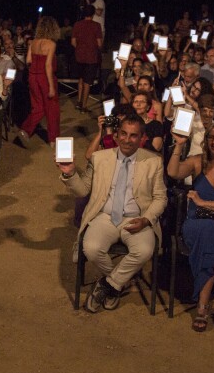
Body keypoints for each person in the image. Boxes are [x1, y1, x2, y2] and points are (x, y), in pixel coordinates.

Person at [58, 115, 167, 314]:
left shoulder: (154, 162)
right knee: (91, 248)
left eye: (133, 136)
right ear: (116, 135)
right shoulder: (100, 158)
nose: (127, 139)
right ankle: (118, 284)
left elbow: (160, 198)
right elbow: (83, 190)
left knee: (144, 251)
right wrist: (70, 173)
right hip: (105, 216)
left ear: (142, 138)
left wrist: (145, 220)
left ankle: (107, 286)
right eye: (123, 134)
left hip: (136, 218)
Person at [166, 120, 214, 332]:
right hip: (197, 221)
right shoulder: (197, 162)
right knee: (207, 229)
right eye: (211, 137)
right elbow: (173, 172)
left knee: (210, 234)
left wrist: (203, 202)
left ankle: (202, 308)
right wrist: (180, 145)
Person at [16, 16, 60, 146]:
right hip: (44, 77)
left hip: (33, 76)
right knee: (52, 108)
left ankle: (25, 130)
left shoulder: (33, 42)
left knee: (38, 107)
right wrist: (51, 86)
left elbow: (28, 60)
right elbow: (48, 65)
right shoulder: (51, 44)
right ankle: (53, 139)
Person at [71, 2, 102, 112]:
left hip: (79, 56)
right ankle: (84, 105)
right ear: (93, 14)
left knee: (80, 79)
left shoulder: (77, 25)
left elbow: (73, 41)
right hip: (91, 57)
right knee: (87, 82)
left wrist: (80, 48)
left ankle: (78, 101)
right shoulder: (96, 26)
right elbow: (99, 44)